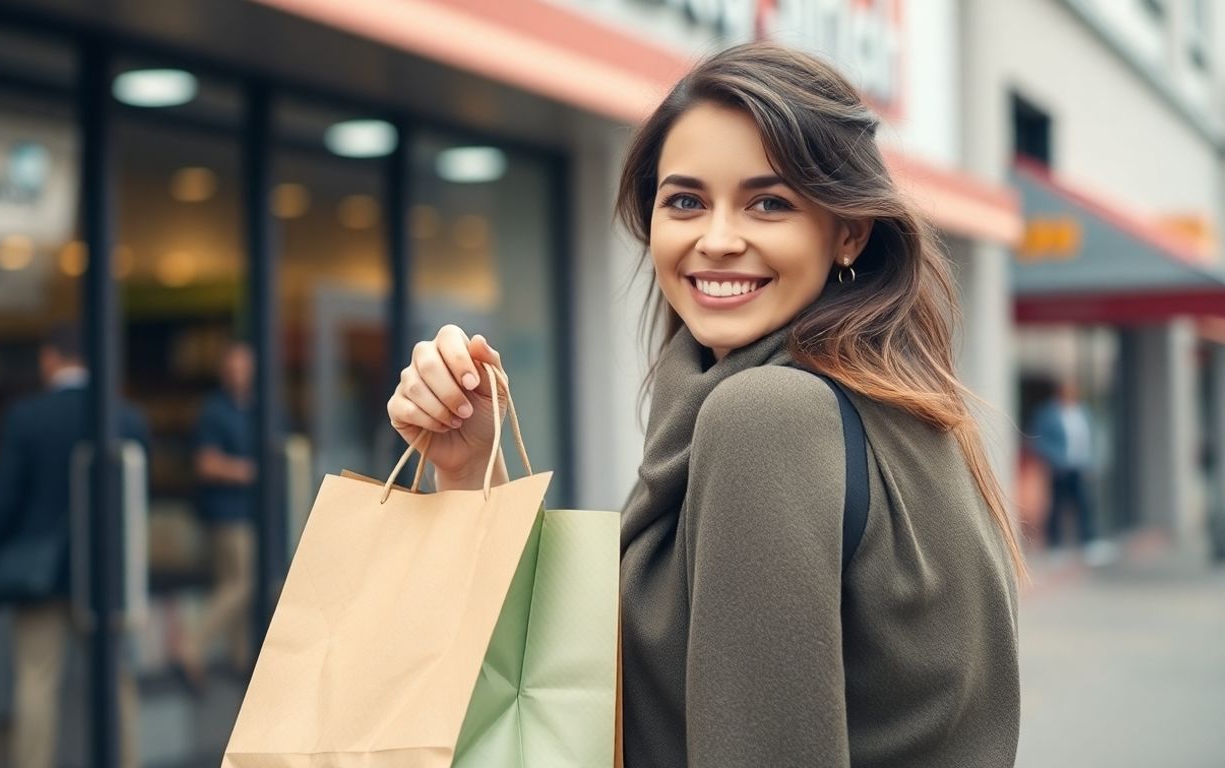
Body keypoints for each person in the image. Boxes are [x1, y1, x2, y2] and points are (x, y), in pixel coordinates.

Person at [387, 42, 1024, 767]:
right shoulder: (892, 406)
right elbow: (580, 687)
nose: (717, 240)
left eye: (769, 202)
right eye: (686, 200)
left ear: (848, 230)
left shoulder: (768, 416)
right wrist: (473, 471)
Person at [0, 325, 150, 768]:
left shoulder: (26, 416)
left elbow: (3, 499)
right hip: (106, 573)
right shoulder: (127, 418)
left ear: (49, 358)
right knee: (115, 682)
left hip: (40, 575)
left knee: (36, 681)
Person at [177, 341, 258, 688]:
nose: (239, 372)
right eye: (234, 365)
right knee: (243, 584)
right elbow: (205, 464)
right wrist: (246, 471)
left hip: (253, 513)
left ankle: (242, 660)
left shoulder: (259, 407)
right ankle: (191, 645)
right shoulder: (214, 411)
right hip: (228, 515)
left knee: (237, 585)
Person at [1029, 380, 1107, 560]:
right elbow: (1037, 439)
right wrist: (1054, 459)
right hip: (1060, 468)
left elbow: (1092, 436)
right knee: (1057, 505)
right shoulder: (1048, 414)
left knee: (1085, 504)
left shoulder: (1083, 412)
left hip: (1080, 466)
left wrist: (1092, 461)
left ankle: (1089, 542)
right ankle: (1055, 545)